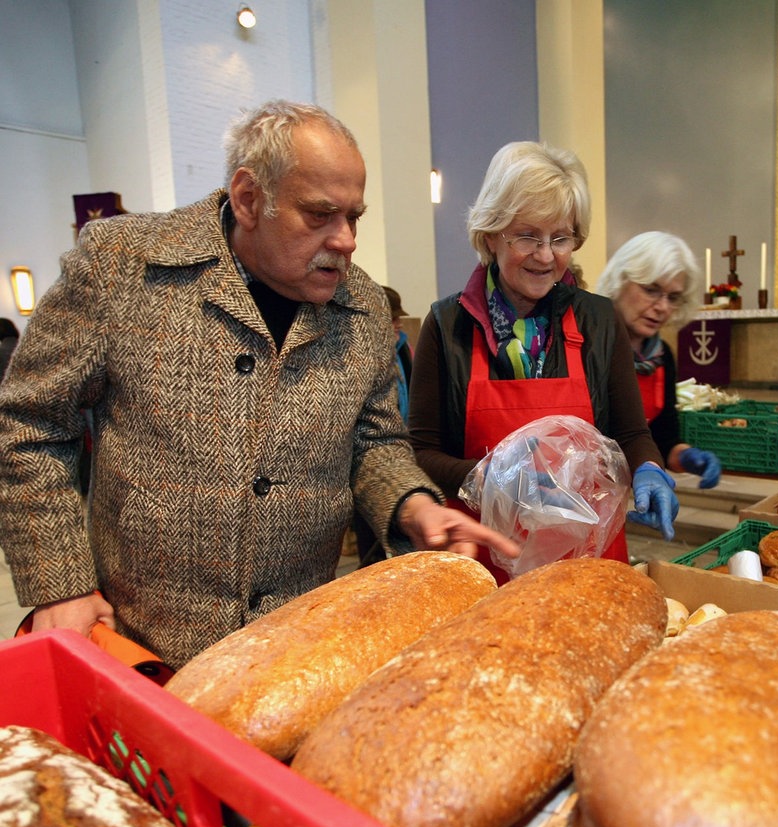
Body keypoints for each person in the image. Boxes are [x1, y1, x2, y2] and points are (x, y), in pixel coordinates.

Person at [0, 100, 517, 669]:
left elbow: (374, 445)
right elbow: (29, 425)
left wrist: (414, 502)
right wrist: (59, 583)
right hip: (143, 647)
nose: (345, 240)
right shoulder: (122, 268)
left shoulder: (364, 308)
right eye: (320, 215)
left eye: (354, 217)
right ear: (249, 199)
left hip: (293, 652)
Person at [408, 141, 679, 583]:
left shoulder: (598, 318)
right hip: (485, 560)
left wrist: (649, 469)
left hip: (589, 556)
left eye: (561, 238)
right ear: (492, 233)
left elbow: (631, 432)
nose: (546, 255)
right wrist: (492, 479)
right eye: (528, 236)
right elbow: (419, 452)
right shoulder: (447, 324)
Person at [596, 232, 722, 491]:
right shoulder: (589, 343)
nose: (662, 306)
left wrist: (686, 455)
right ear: (620, 281)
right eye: (651, 290)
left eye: (673, 297)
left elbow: (662, 438)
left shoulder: (662, 354)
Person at [353, 284, 413, 566]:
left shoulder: (402, 350)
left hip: (399, 452)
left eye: (398, 320)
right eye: (392, 319)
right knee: (370, 543)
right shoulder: (364, 354)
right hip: (367, 469)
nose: (397, 325)